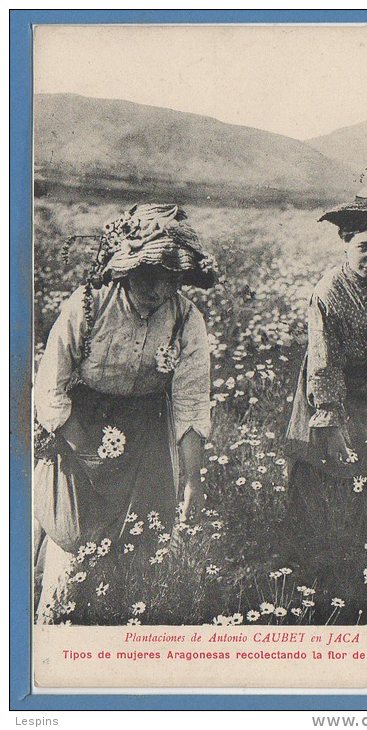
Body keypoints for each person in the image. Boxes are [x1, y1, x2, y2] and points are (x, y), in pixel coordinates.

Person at [34, 203, 217, 622]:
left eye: (171, 277)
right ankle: (56, 627)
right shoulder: (88, 305)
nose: (159, 288)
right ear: (126, 267)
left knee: (141, 541)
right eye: (150, 274)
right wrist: (87, 451)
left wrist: (192, 482)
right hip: (77, 426)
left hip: (144, 434)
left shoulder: (186, 319)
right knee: (75, 538)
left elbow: (190, 403)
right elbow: (50, 389)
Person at [285, 167, 367, 588]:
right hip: (331, 389)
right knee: (326, 476)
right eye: (363, 247)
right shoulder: (328, 291)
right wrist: (331, 421)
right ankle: (315, 574)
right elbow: (323, 364)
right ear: (345, 244)